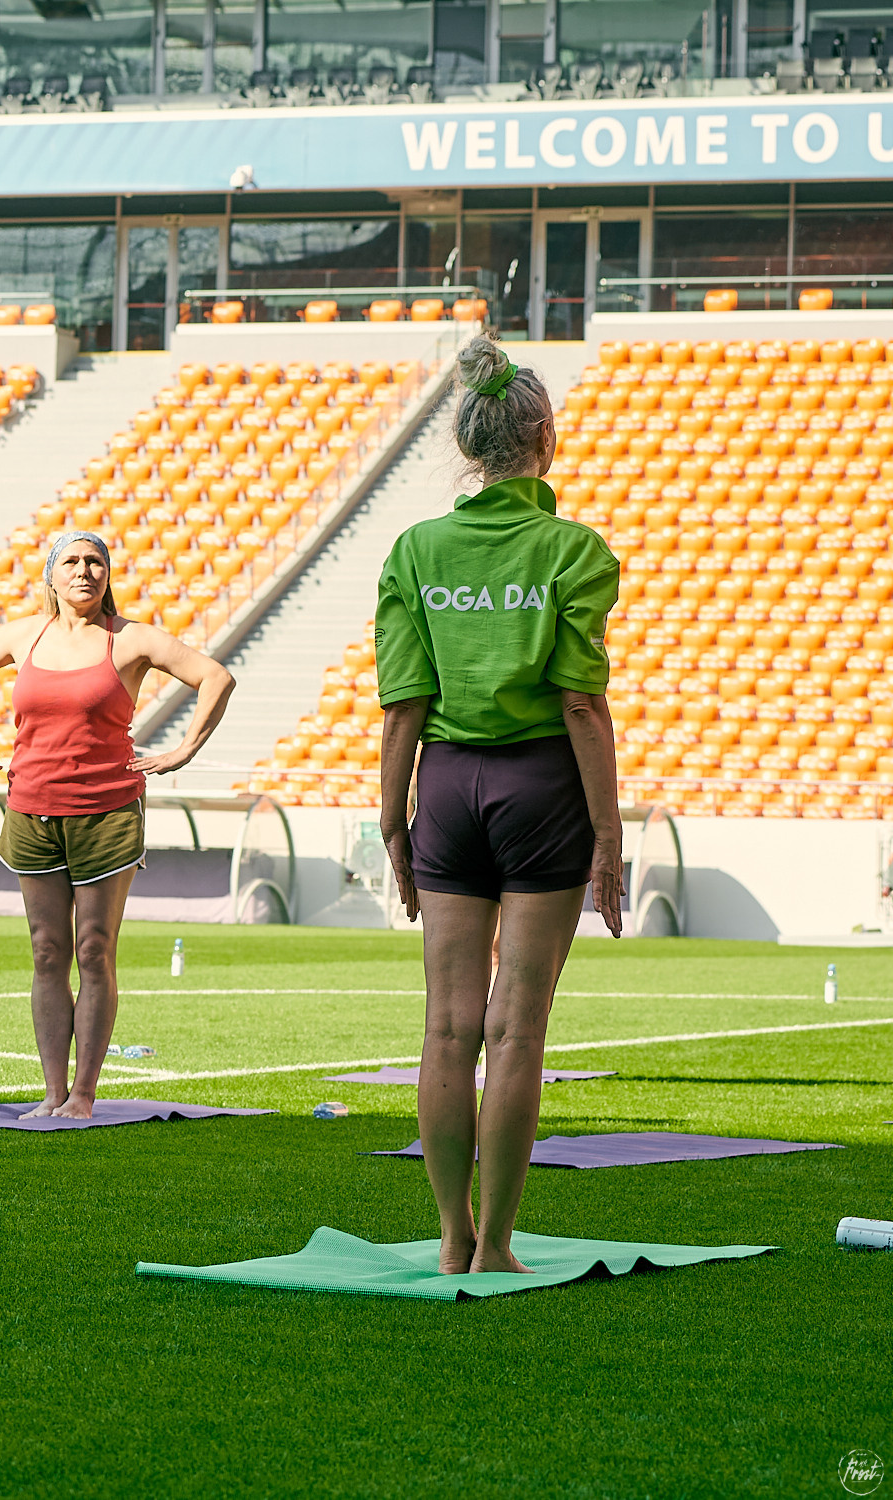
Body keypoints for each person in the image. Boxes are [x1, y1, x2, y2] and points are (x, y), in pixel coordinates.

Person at [376, 334, 623, 1276]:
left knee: (445, 1026)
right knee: (518, 1026)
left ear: (468, 444)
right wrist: (607, 832)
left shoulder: (415, 549)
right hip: (541, 788)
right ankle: (497, 1243)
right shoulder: (575, 549)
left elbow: (404, 706)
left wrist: (394, 824)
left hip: (443, 785)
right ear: (543, 439)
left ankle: (446, 1237)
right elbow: (580, 702)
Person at [0, 531, 235, 1118]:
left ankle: (83, 1095)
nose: (84, 571)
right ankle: (52, 1093)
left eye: (95, 562)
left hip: (106, 812)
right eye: (71, 562)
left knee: (93, 949)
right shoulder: (26, 634)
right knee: (47, 951)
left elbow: (217, 678)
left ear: (108, 573)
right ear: (51, 575)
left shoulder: (130, 639)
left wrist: (184, 750)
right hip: (31, 807)